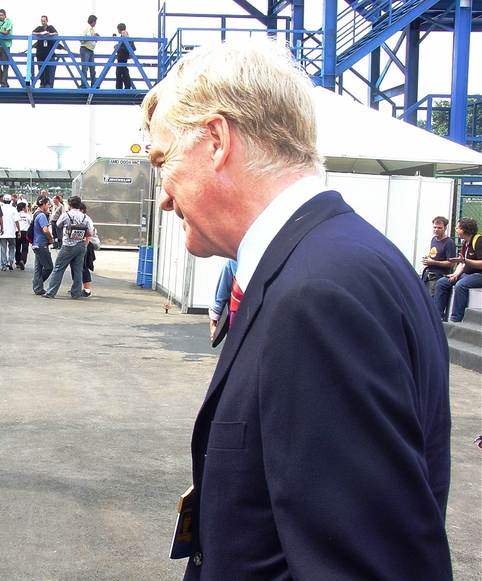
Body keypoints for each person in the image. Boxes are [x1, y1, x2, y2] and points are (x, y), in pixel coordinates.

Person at [142, 40, 452, 579]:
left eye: (162, 161)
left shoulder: (316, 295)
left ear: (216, 141)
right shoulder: (344, 258)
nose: (164, 197)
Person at [43, 196, 94, 299]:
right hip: (81, 245)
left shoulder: (66, 215)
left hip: (68, 245)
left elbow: (58, 224)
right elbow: (90, 233)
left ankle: (51, 292)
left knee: (58, 268)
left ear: (69, 205)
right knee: (78, 270)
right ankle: (76, 293)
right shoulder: (86, 217)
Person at [433, 216, 482, 322]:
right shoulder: (465, 242)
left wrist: (465, 260)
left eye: (458, 228)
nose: (456, 230)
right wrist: (455, 274)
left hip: (479, 275)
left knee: (461, 285)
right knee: (442, 282)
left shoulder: (479, 241)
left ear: (464, 229)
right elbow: (461, 263)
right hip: (466, 274)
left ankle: (456, 318)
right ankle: (437, 317)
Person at [421, 216, 457, 297]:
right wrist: (427, 259)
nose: (436, 230)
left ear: (445, 228)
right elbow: (434, 255)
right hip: (428, 275)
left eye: (439, 228)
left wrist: (433, 262)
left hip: (439, 277)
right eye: (435, 227)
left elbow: (451, 264)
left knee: (432, 301)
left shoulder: (449, 243)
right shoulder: (434, 239)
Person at [208, 259, 237, 345]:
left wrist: (214, 320)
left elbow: (221, 294)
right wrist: (214, 319)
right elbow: (221, 294)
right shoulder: (234, 261)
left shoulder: (235, 260)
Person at [31, 196, 55, 295]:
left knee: (38, 268)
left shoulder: (35, 214)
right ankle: (37, 283)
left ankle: (38, 288)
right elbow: (45, 230)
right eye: (48, 204)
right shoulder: (41, 216)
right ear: (44, 204)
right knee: (49, 267)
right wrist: (50, 238)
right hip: (42, 244)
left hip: (36, 244)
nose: (48, 206)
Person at [33, 15, 58, 88]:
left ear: (47, 21)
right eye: (42, 21)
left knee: (47, 68)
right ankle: (42, 83)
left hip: (48, 52)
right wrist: (39, 34)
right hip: (40, 52)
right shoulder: (39, 28)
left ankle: (47, 83)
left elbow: (56, 33)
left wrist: (49, 34)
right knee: (40, 68)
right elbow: (33, 33)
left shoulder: (50, 27)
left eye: (44, 21)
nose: (43, 22)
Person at [0, 9, 13, 88]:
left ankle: (4, 83)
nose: (1, 17)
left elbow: (7, 32)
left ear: (5, 15)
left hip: (6, 45)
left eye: (2, 15)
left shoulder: (8, 21)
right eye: (0, 15)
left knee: (5, 65)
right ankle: (2, 81)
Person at [0, 194, 19, 271]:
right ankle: (10, 262)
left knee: (3, 249)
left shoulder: (0, 208)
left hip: (2, 232)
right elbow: (16, 221)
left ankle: (4, 265)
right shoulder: (13, 209)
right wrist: (19, 230)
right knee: (12, 247)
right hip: (12, 232)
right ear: (10, 201)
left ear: (3, 200)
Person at [79, 15, 99, 88]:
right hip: (85, 49)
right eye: (95, 22)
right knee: (85, 68)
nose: (95, 23)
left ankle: (94, 84)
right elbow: (81, 39)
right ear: (92, 21)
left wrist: (94, 37)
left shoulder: (92, 30)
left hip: (90, 49)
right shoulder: (86, 28)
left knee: (92, 68)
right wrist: (91, 37)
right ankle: (84, 84)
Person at [115, 23, 134, 90]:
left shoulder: (124, 33)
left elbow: (126, 43)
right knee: (122, 71)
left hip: (122, 56)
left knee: (121, 72)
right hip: (123, 56)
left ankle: (121, 88)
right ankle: (126, 87)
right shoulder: (125, 34)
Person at [15, 201, 31, 269]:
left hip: (17, 232)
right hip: (25, 232)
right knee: (25, 247)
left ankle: (17, 261)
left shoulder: (16, 215)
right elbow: (30, 223)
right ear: (23, 208)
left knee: (17, 247)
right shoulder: (27, 215)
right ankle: (22, 260)